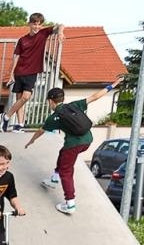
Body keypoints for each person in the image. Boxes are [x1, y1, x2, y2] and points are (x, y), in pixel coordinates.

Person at [24, 79, 121, 215]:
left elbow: (41, 131)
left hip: (74, 145)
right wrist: (112, 85)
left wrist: (31, 141)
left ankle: (70, 203)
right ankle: (54, 178)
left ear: (50, 101)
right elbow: (95, 96)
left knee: (67, 172)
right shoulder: (74, 105)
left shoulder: (54, 117)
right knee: (63, 153)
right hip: (88, 140)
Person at [0, 13, 56, 132]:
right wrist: (11, 73)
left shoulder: (43, 34)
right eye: (34, 24)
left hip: (32, 72)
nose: (37, 27)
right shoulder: (22, 40)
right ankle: (20, 125)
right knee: (19, 99)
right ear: (29, 24)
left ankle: (6, 116)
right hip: (19, 71)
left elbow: (60, 26)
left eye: (39, 24)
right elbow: (16, 56)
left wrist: (60, 32)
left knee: (26, 97)